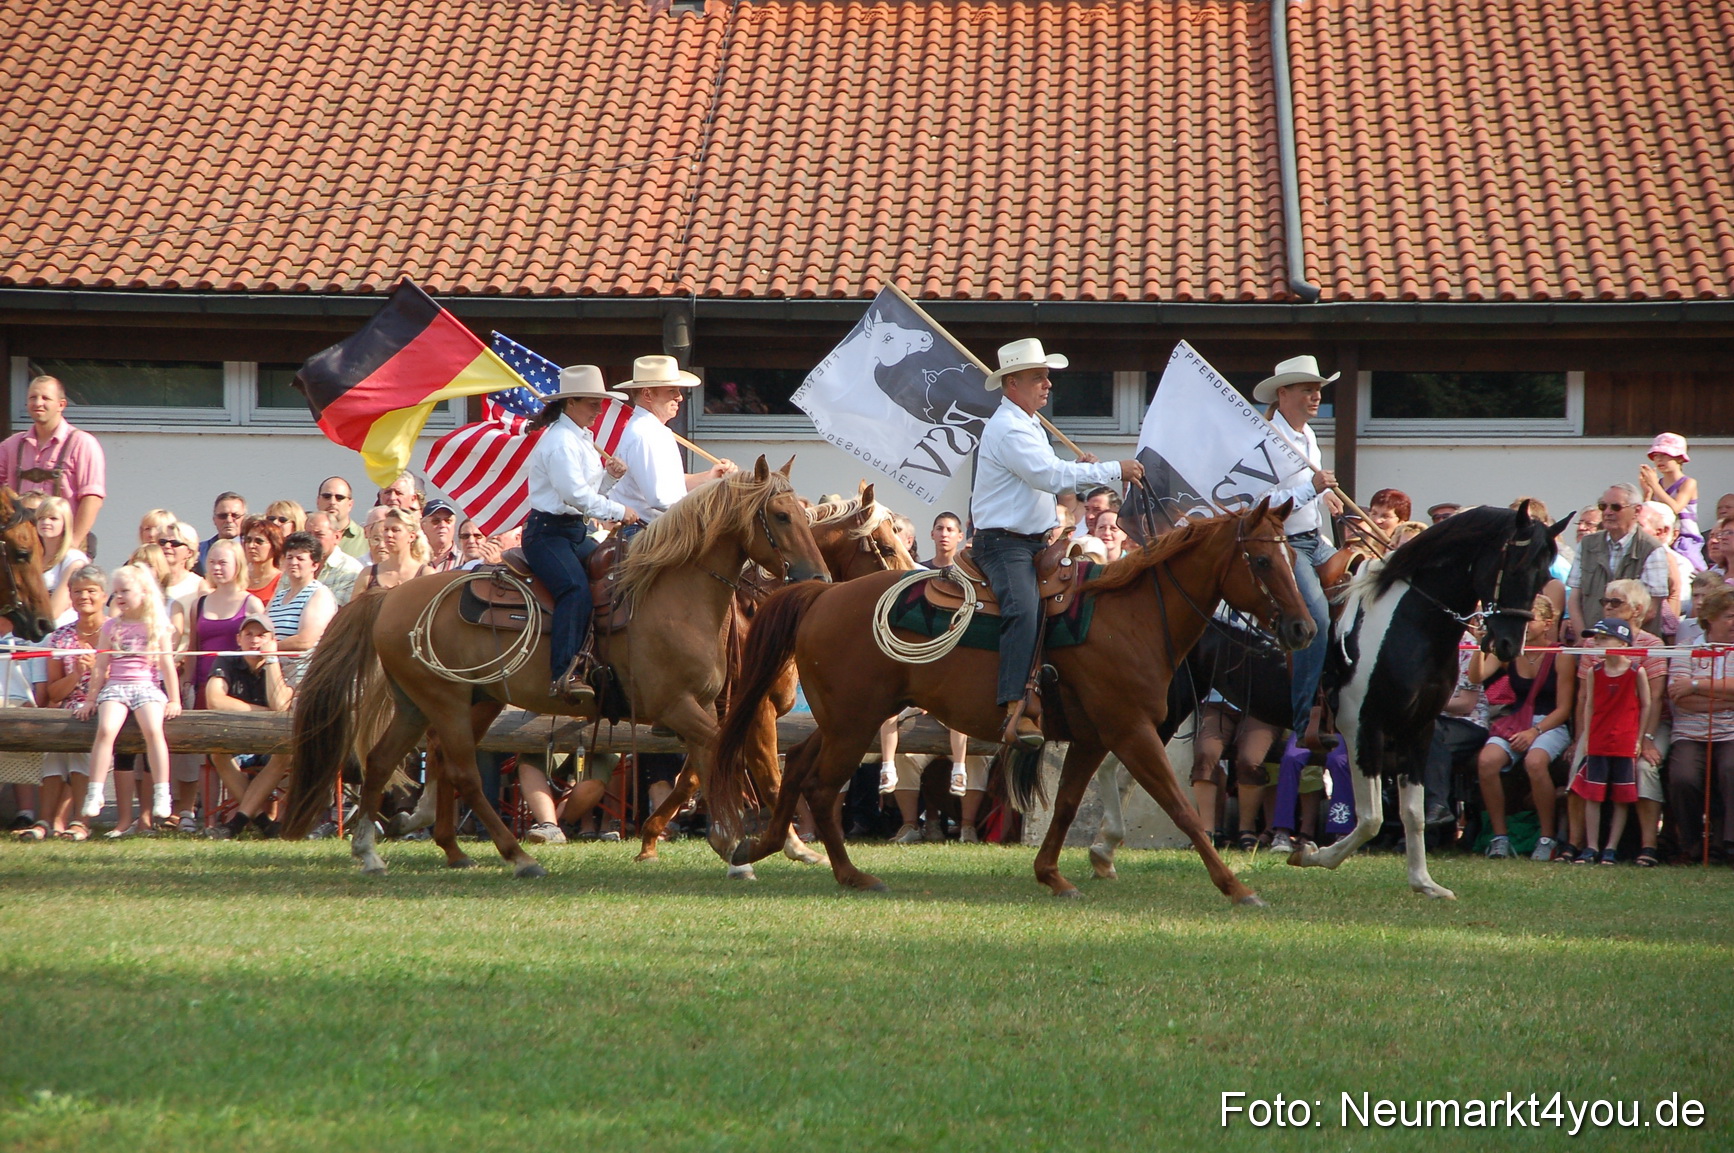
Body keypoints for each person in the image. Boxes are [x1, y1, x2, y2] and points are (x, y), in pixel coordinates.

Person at [970, 338, 1137, 746]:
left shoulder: (1026, 423)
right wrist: (1116, 470)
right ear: (1012, 383)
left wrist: (1076, 471)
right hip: (1003, 545)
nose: (1047, 384)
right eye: (1038, 377)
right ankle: (1014, 706)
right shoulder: (1009, 427)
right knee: (1023, 610)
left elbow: (1048, 474)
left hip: (1033, 543)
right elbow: (1047, 477)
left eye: (1047, 377)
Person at [523, 365, 637, 703]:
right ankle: (564, 672)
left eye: (599, 404)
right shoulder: (560, 442)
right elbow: (574, 496)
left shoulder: (579, 438)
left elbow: (583, 493)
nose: (598, 411)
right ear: (570, 402)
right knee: (574, 589)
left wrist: (609, 479)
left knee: (617, 576)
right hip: (547, 535)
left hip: (570, 531)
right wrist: (619, 511)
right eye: (592, 404)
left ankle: (601, 660)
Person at [1254, 355, 1343, 737]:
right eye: (1308, 389)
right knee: (1316, 619)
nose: (1316, 397)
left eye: (1319, 390)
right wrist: (1313, 489)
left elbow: (1305, 492)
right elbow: (1263, 503)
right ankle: (1303, 710)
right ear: (1284, 393)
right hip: (1285, 546)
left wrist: (1325, 499)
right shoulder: (1266, 441)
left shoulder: (1308, 435)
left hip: (1314, 539)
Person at [78, 564, 181, 834]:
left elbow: (168, 666)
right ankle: (95, 790)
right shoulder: (111, 626)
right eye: (116, 592)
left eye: (125, 591)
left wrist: (175, 699)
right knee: (107, 729)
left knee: (153, 729)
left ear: (144, 593)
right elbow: (101, 665)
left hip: (146, 686)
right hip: (117, 686)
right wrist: (91, 698)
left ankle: (162, 791)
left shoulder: (157, 625)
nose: (119, 597)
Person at [1471, 595, 1576, 861]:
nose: (1523, 627)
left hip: (1549, 723)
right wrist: (1479, 645)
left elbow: (1563, 709)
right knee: (1487, 761)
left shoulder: (1560, 655)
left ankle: (1546, 837)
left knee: (1535, 761)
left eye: (1528, 621)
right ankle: (1500, 837)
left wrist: (1535, 732)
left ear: (1548, 623)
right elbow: (1477, 677)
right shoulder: (1512, 650)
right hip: (1517, 721)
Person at [608, 356, 736, 536]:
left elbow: (670, 484)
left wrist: (709, 477)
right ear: (647, 395)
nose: (680, 397)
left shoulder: (653, 430)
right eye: (671, 391)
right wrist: (707, 510)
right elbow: (660, 499)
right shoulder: (645, 434)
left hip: (653, 529)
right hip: (644, 533)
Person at [179, 539, 265, 805]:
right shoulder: (199, 604)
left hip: (237, 689)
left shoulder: (251, 604)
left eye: (223, 562)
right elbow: (194, 646)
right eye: (213, 562)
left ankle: (239, 809)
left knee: (233, 750)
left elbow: (259, 648)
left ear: (237, 565)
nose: (217, 567)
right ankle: (210, 813)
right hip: (204, 684)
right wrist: (187, 684)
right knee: (207, 754)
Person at [28, 565, 107, 841]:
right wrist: (77, 673)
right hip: (67, 707)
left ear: (104, 596)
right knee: (54, 755)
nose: (84, 596)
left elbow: (122, 679)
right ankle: (45, 821)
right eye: (77, 592)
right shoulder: (60, 636)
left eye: (91, 591)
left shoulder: (115, 633)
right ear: (70, 597)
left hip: (104, 707)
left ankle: (80, 821)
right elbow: (54, 691)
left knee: (81, 753)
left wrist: (97, 669)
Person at [204, 614, 296, 840]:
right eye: (249, 634)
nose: (255, 640)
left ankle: (236, 824)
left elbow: (281, 704)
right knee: (217, 753)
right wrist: (265, 713)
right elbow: (215, 700)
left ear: (272, 640)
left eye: (262, 635)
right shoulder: (226, 661)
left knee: (284, 755)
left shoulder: (284, 666)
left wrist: (272, 659)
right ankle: (265, 824)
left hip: (270, 746)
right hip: (237, 742)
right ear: (239, 639)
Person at [1568, 618, 1648, 865]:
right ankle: (1592, 846)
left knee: (1621, 796)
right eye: (1597, 638)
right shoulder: (1595, 671)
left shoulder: (1637, 671)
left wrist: (1639, 738)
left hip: (1624, 740)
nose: (1598, 642)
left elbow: (1646, 704)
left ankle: (1611, 847)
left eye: (1604, 637)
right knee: (1593, 794)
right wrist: (1588, 735)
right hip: (1599, 739)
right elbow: (1589, 704)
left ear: (1623, 642)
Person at [1664, 584, 1734, 866]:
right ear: (1711, 619)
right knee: (1683, 778)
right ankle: (1692, 843)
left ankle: (1728, 843)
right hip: (1689, 732)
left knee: (1731, 769)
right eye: (1729, 616)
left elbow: (1688, 691)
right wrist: (1728, 699)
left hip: (1731, 732)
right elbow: (1680, 700)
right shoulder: (1686, 650)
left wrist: (1696, 684)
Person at [0, 374, 105, 552]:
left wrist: (72, 545)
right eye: (33, 397)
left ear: (61, 405)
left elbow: (92, 499)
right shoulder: (10, 446)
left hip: (65, 543)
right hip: (22, 549)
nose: (38, 403)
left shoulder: (82, 443)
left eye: (45, 398)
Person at [1566, 482, 1672, 639]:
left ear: (1636, 511)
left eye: (1615, 507)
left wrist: (1613, 639)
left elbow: (1651, 610)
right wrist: (1584, 639)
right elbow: (1574, 599)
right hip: (1590, 645)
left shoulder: (1651, 549)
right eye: (1603, 506)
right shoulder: (1587, 544)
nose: (1607, 512)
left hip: (1632, 649)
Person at [266, 532, 336, 675]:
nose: (293, 562)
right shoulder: (279, 596)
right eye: (289, 557)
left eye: (300, 558)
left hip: (302, 677)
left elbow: (306, 640)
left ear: (315, 565)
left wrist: (270, 648)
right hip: (273, 675)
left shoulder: (319, 594)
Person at [1638, 432, 1703, 569]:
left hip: (1685, 538)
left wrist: (1654, 486)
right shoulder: (1659, 485)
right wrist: (1648, 492)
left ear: (1679, 458)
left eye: (1665, 455)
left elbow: (1676, 508)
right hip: (1662, 536)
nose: (1659, 460)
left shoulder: (1688, 483)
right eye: (1656, 456)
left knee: (1692, 566)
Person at [30, 494, 89, 626]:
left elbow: (55, 610)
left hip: (59, 628)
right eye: (41, 518)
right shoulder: (32, 558)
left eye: (53, 518)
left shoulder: (74, 559)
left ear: (65, 524)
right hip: (28, 627)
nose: (46, 522)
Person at [353, 507, 434, 595]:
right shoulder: (368, 575)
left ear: (411, 536)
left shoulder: (426, 574)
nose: (389, 534)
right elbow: (354, 608)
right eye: (386, 529)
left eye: (395, 530)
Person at [306, 512, 362, 605]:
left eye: (319, 535)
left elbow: (335, 611)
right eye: (308, 535)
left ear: (337, 537)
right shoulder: (295, 565)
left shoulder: (349, 570)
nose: (311, 540)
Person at [315, 476, 370, 559]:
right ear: (318, 501)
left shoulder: (366, 539)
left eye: (339, 497)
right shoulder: (306, 536)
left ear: (350, 504)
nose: (332, 502)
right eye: (327, 496)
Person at [239, 514, 284, 604]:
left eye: (259, 541)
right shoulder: (238, 578)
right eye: (248, 540)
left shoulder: (282, 581)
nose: (251, 546)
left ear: (274, 546)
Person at [198, 492, 247, 572]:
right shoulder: (199, 551)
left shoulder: (252, 549)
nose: (229, 520)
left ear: (245, 519)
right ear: (214, 520)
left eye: (235, 515)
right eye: (222, 516)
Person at [421, 498, 463, 572]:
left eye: (448, 520)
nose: (443, 525)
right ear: (422, 526)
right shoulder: (414, 560)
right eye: (436, 521)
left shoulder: (465, 561)